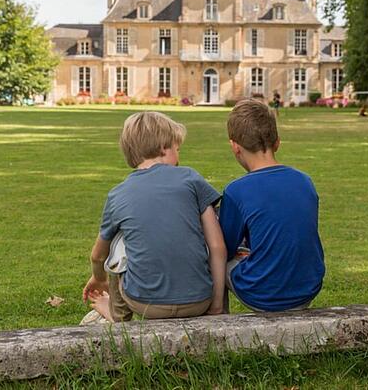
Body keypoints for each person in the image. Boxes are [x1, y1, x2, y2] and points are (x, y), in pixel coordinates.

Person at [82, 112, 226, 321]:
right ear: (163, 147)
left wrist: (98, 277)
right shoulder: (190, 178)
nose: (179, 156)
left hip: (145, 304)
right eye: (178, 149)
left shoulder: (118, 194)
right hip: (199, 301)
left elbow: (98, 256)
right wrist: (216, 304)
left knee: (117, 247)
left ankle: (118, 316)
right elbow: (217, 246)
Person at [219, 100, 325, 312]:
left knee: (215, 256)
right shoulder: (304, 181)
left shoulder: (237, 191)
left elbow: (225, 248)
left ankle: (218, 318)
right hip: (308, 287)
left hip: (263, 294)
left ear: (235, 147)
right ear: (277, 142)